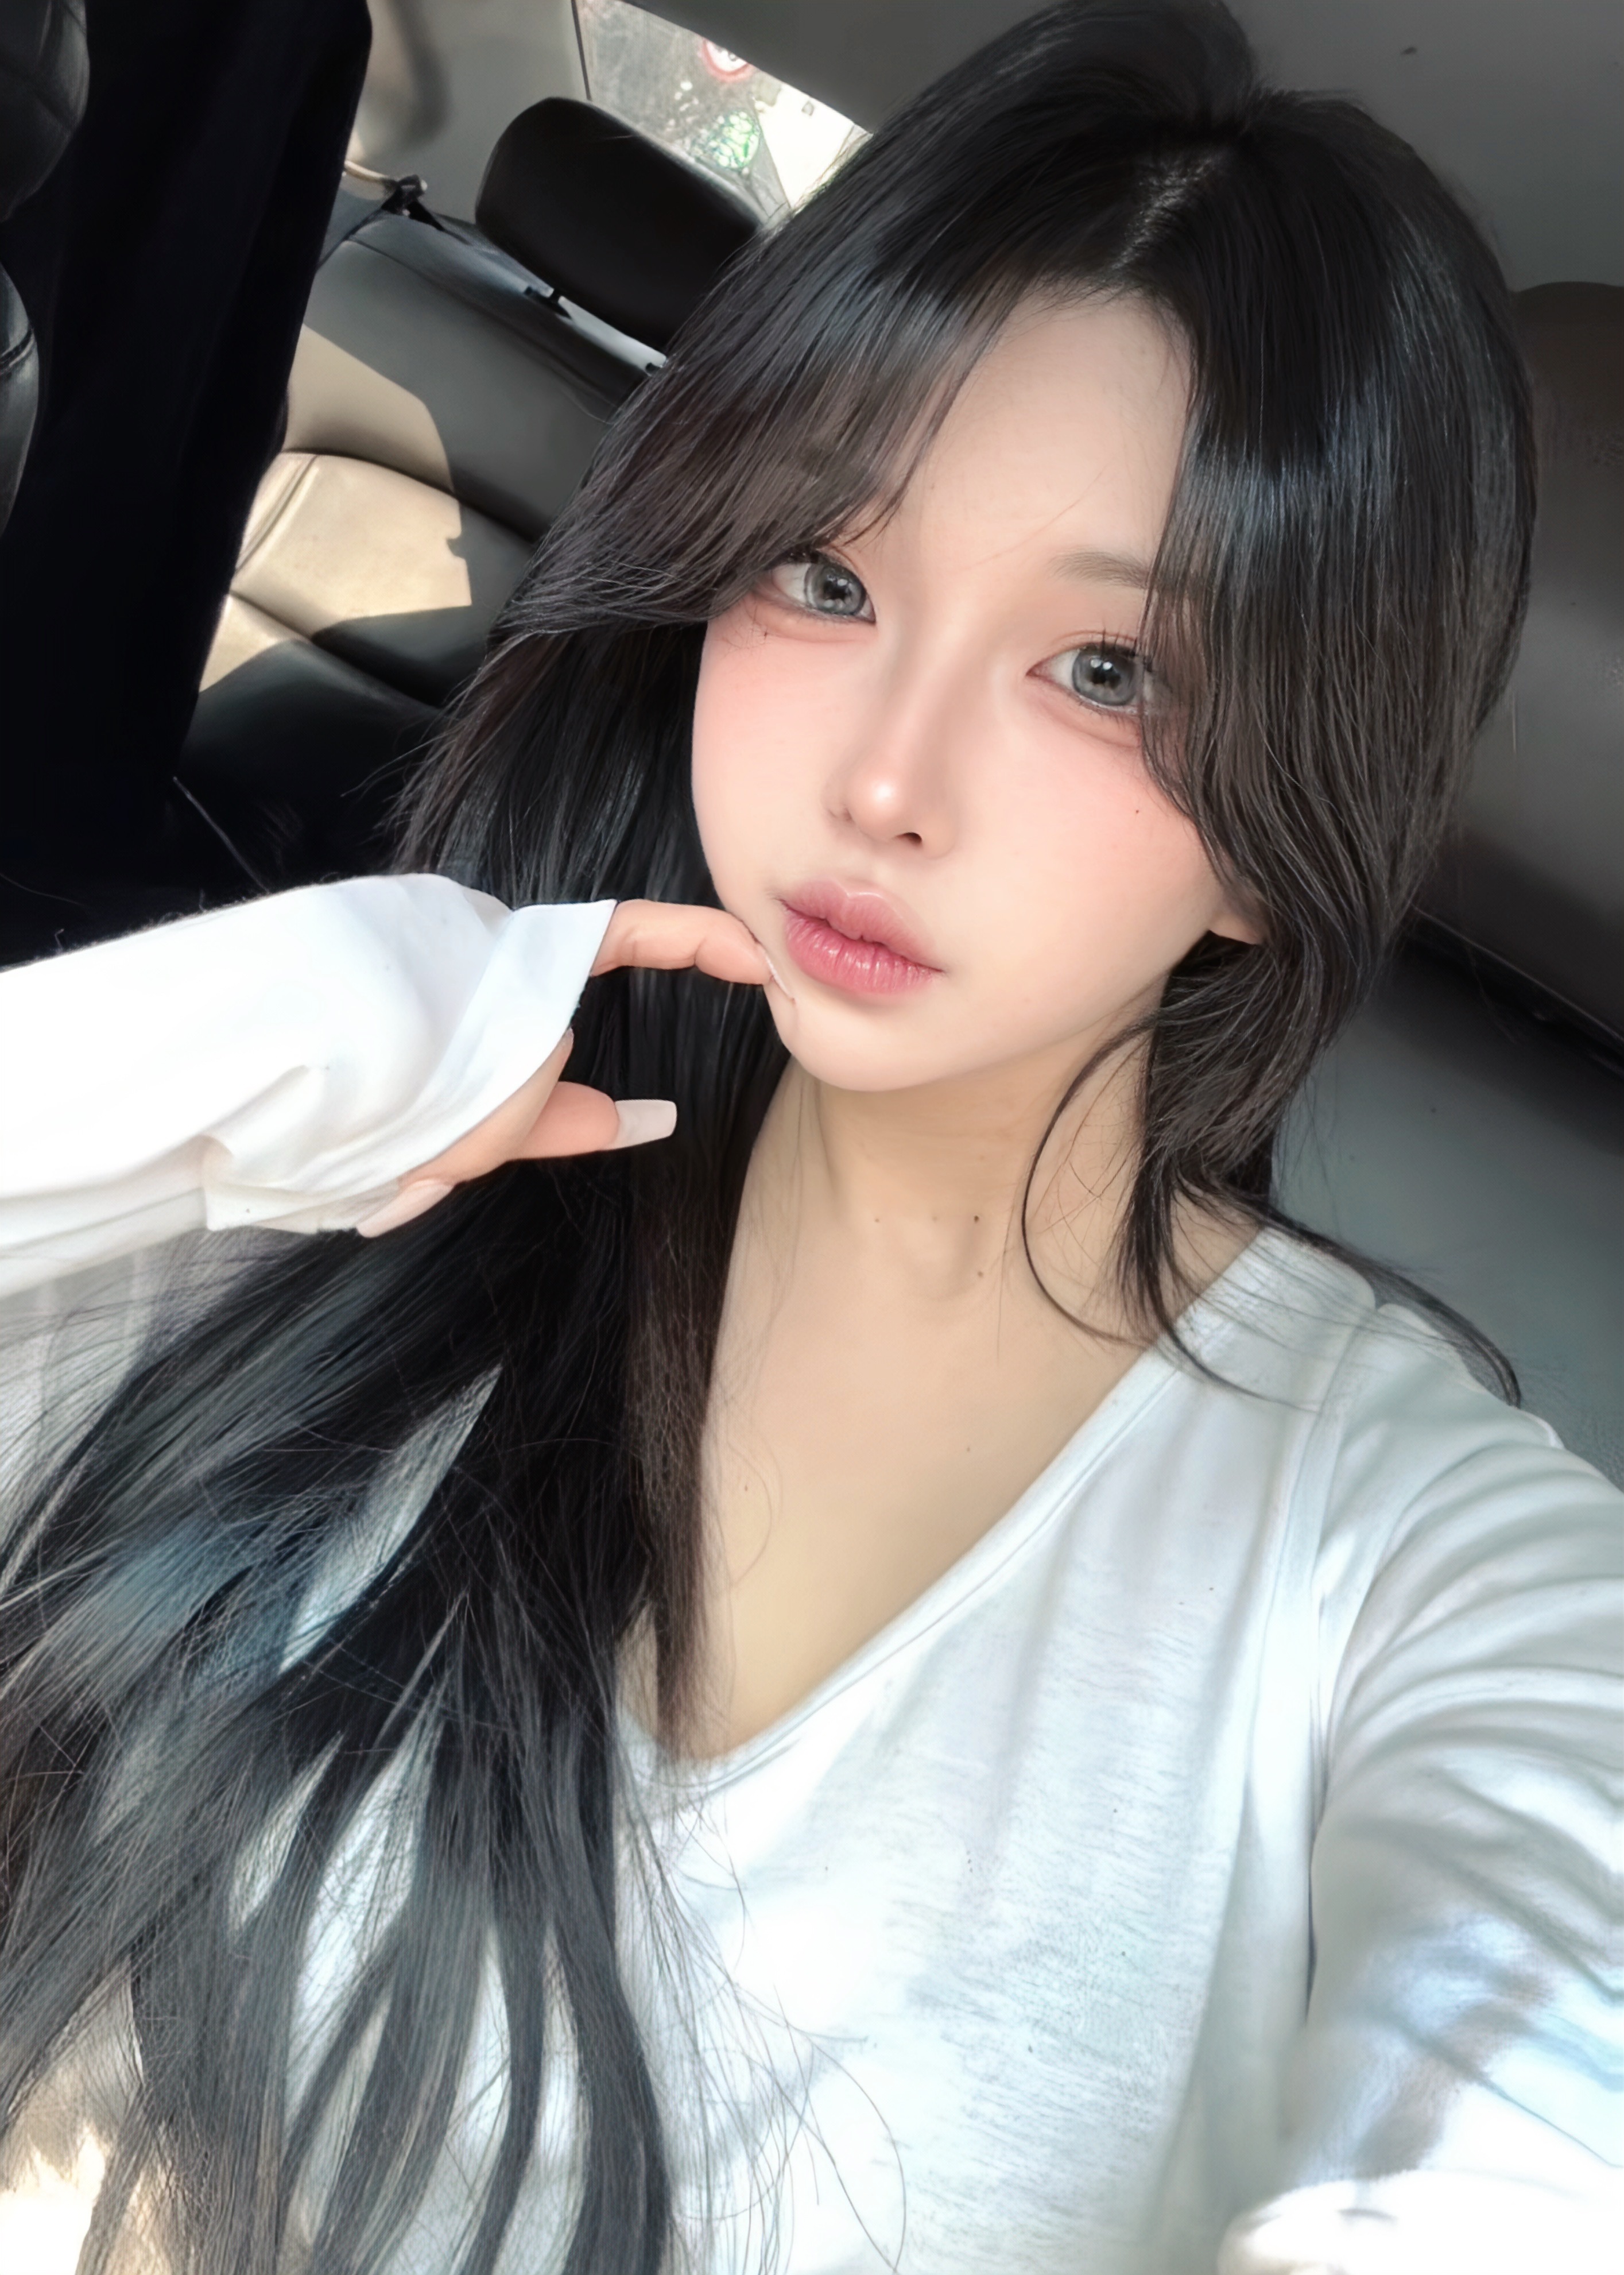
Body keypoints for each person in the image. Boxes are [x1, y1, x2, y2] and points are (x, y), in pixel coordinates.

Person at [0, 4, 1617, 2270]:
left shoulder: (1425, 1557)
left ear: (1287, 824)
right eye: (827, 578)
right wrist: (123, 1077)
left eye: (1109, 672)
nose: (884, 777)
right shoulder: (367, 1158)